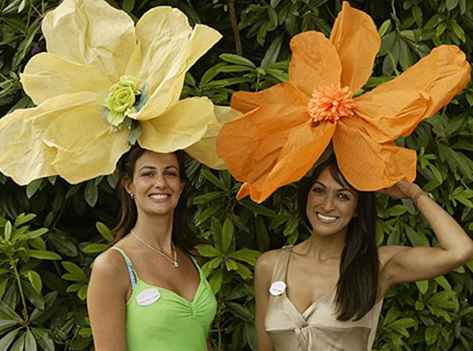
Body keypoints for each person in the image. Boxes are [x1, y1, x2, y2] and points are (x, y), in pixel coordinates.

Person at [254, 156, 473, 351]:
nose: (327, 205)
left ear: (358, 208)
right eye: (319, 191)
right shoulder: (270, 265)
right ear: (307, 197)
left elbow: (460, 250)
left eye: (343, 196)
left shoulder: (378, 265)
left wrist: (413, 193)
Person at [87, 146, 217, 351]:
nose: (160, 183)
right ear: (129, 186)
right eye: (148, 173)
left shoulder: (191, 257)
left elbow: (197, 337)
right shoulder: (112, 266)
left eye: (170, 173)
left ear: (181, 186)